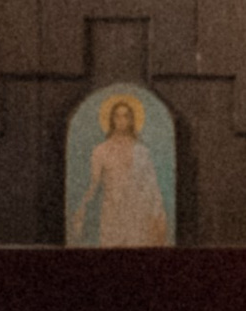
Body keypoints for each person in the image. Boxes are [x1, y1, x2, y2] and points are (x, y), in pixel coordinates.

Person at [72, 90, 172, 247]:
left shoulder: (142, 152)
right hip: (113, 213)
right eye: (117, 116)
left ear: (132, 120)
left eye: (126, 116)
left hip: (138, 213)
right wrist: (81, 210)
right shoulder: (101, 150)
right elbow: (94, 184)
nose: (121, 120)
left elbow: (152, 187)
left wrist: (158, 216)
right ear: (111, 119)